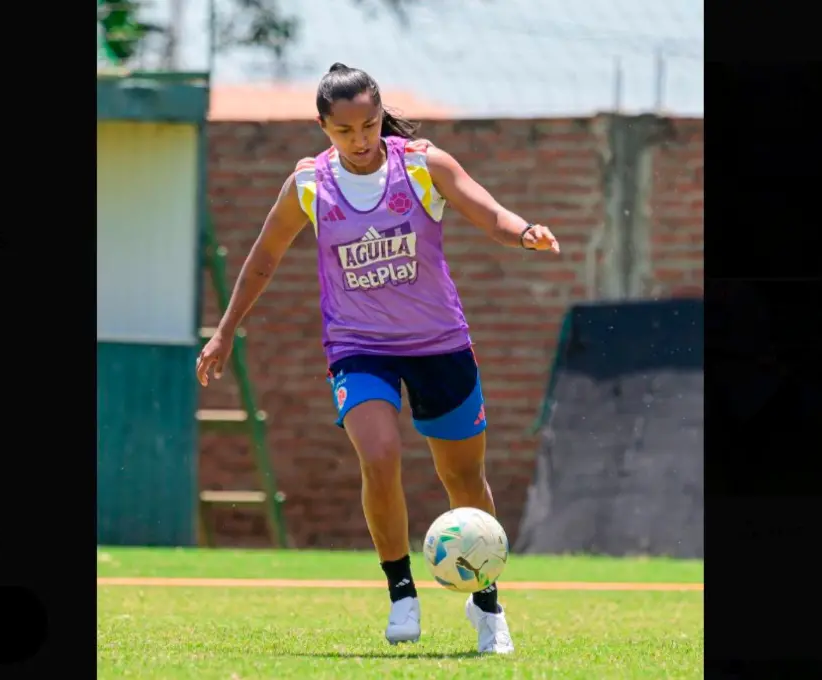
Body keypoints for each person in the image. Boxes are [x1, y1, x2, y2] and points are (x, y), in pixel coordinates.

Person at [196, 63, 560, 654]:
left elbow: (489, 213)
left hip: (439, 344)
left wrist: (524, 232)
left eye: (368, 125)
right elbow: (263, 259)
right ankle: (401, 593)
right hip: (359, 347)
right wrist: (224, 331)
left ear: (381, 115)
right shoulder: (309, 185)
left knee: (463, 478)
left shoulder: (421, 165)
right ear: (323, 127)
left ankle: (487, 604)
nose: (360, 139)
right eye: (344, 131)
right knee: (380, 454)